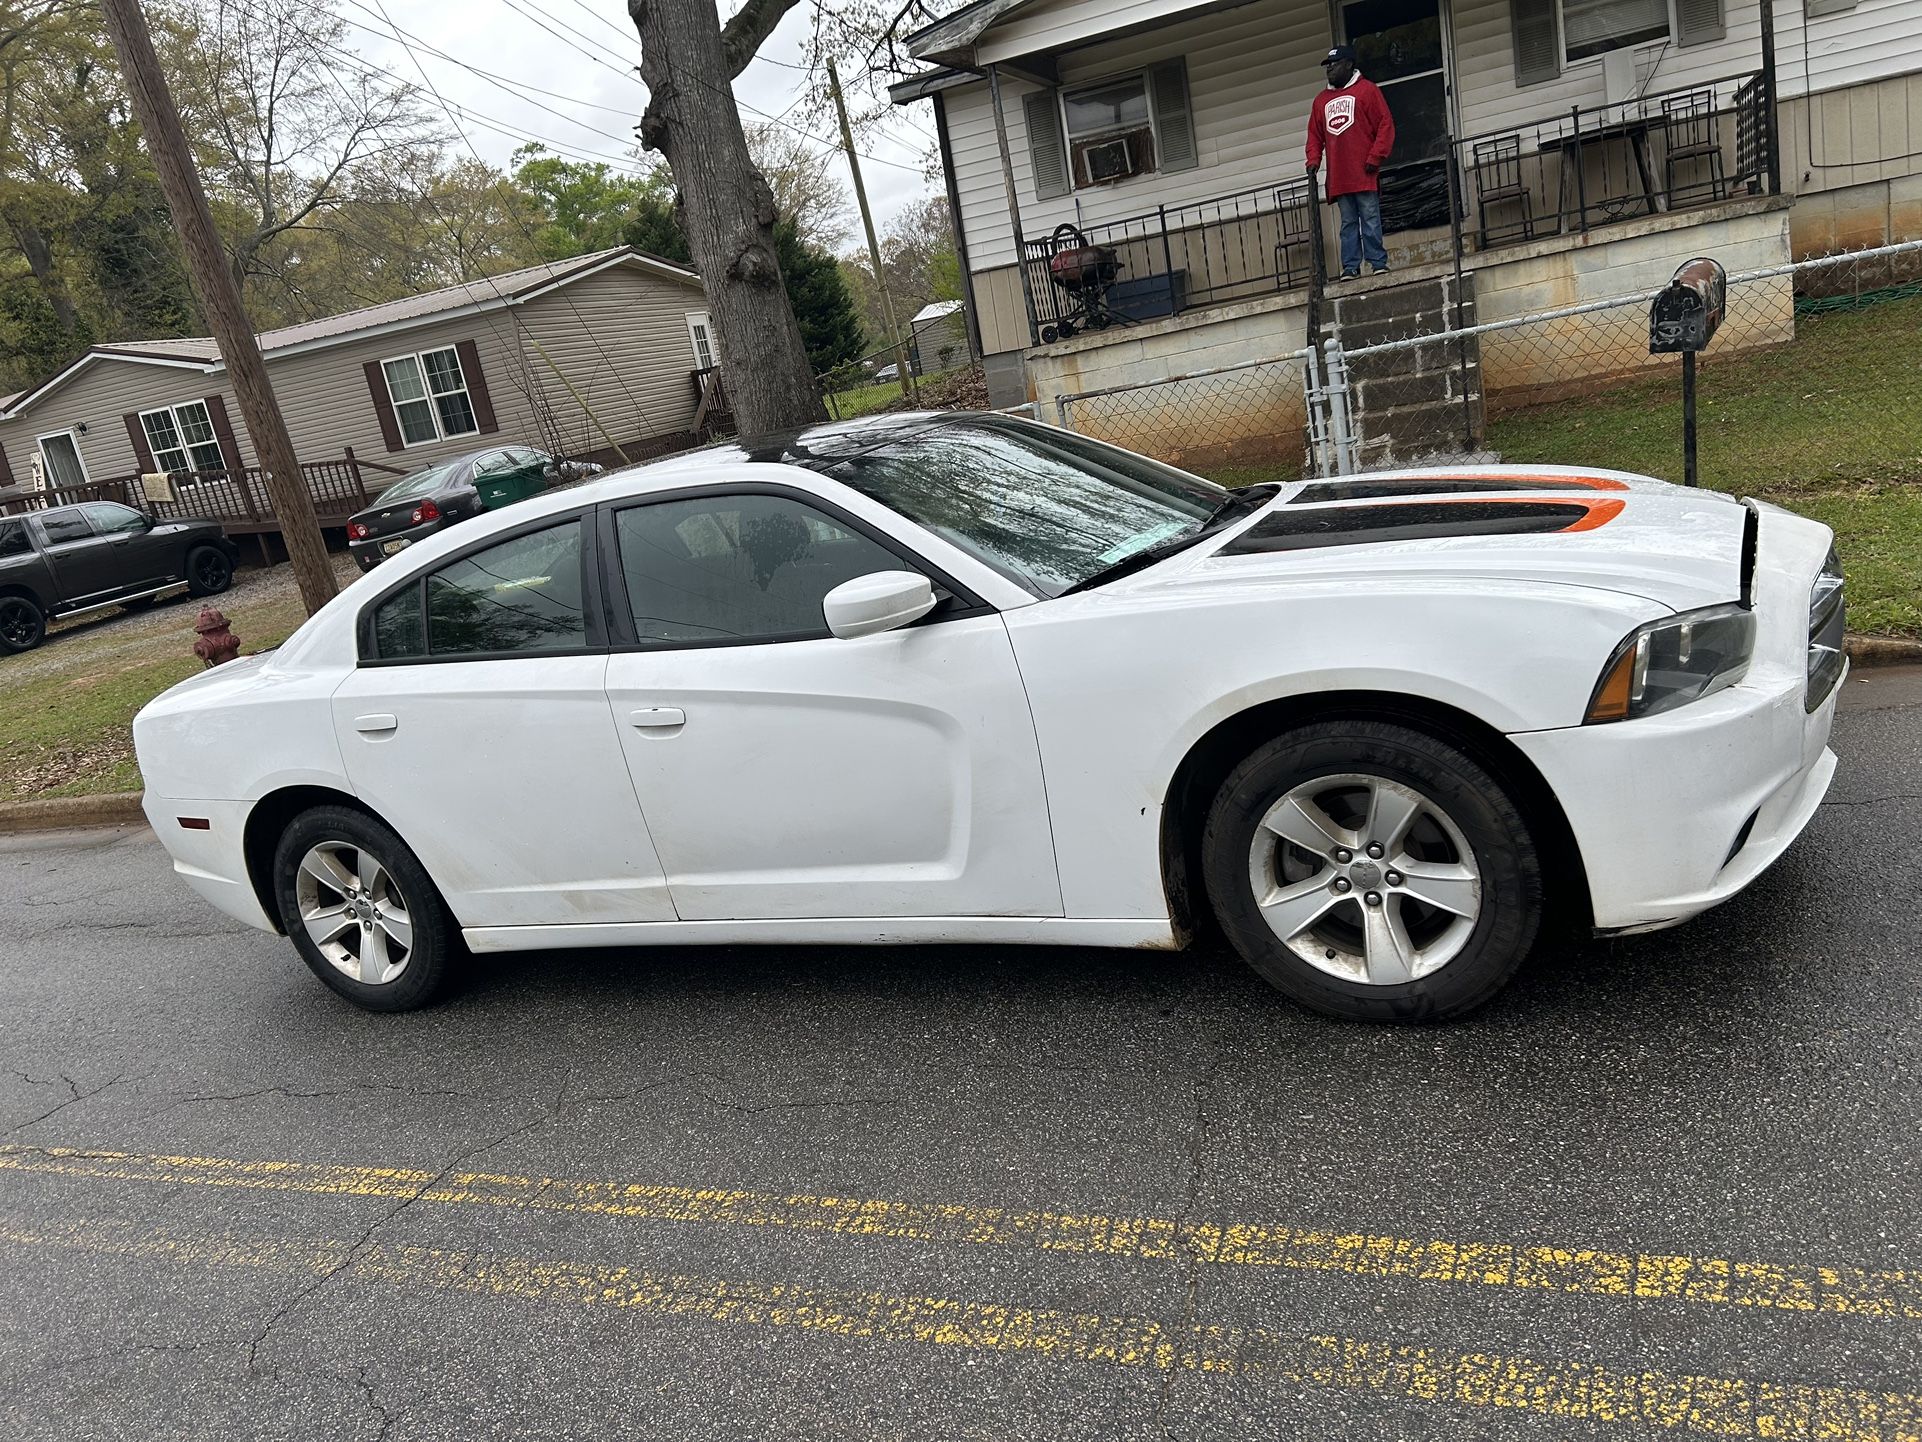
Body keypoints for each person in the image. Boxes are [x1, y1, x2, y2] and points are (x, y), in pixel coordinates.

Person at [1304, 44, 1396, 279]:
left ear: (1348, 64)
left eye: (1334, 65)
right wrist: (1313, 160)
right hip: (1339, 176)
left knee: (1370, 218)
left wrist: (1375, 156)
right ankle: (1351, 267)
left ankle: (1377, 263)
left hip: (1364, 172)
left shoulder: (1367, 91)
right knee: (1348, 224)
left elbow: (1385, 125)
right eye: (1328, 66)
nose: (1330, 69)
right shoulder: (1320, 101)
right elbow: (1315, 136)